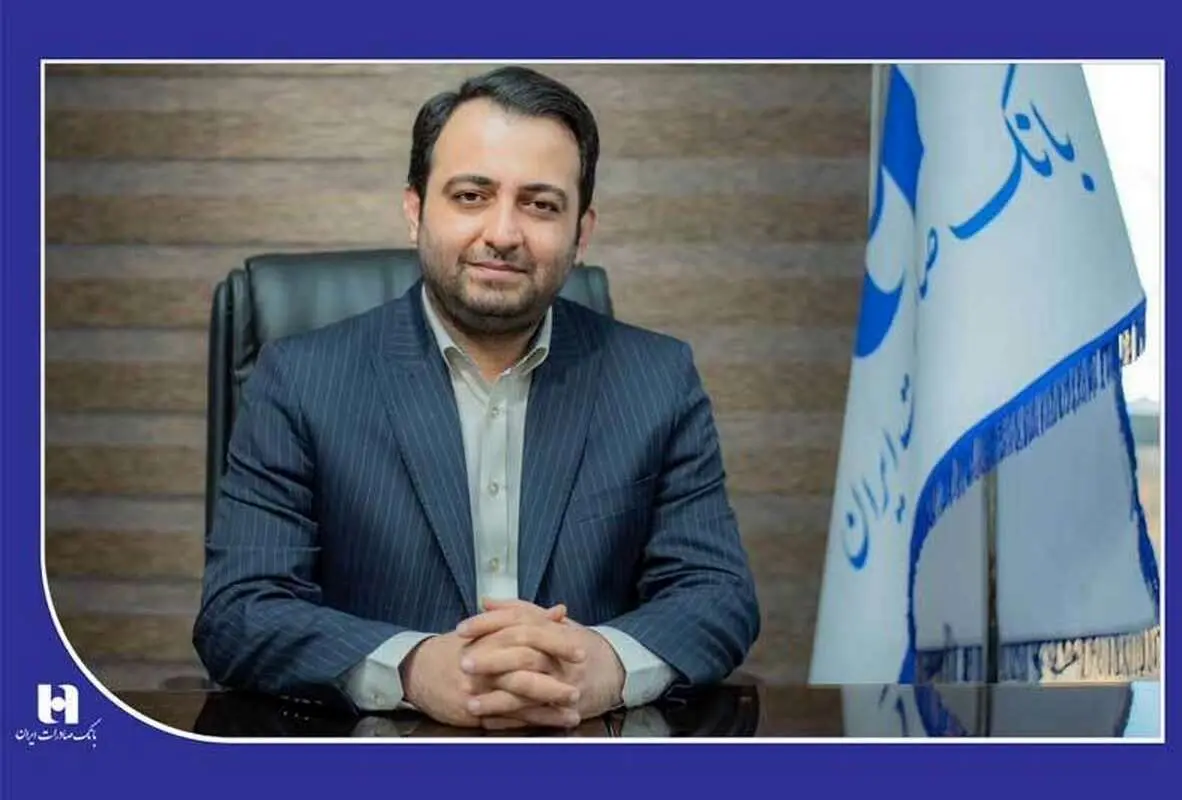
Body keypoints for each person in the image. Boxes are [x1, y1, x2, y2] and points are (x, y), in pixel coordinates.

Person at [193, 65, 760, 731]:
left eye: (540, 205)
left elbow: (717, 594)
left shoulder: (656, 378)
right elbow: (240, 610)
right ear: (415, 209)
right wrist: (409, 668)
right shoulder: (300, 380)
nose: (503, 232)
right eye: (471, 195)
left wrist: (603, 665)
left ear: (581, 232)